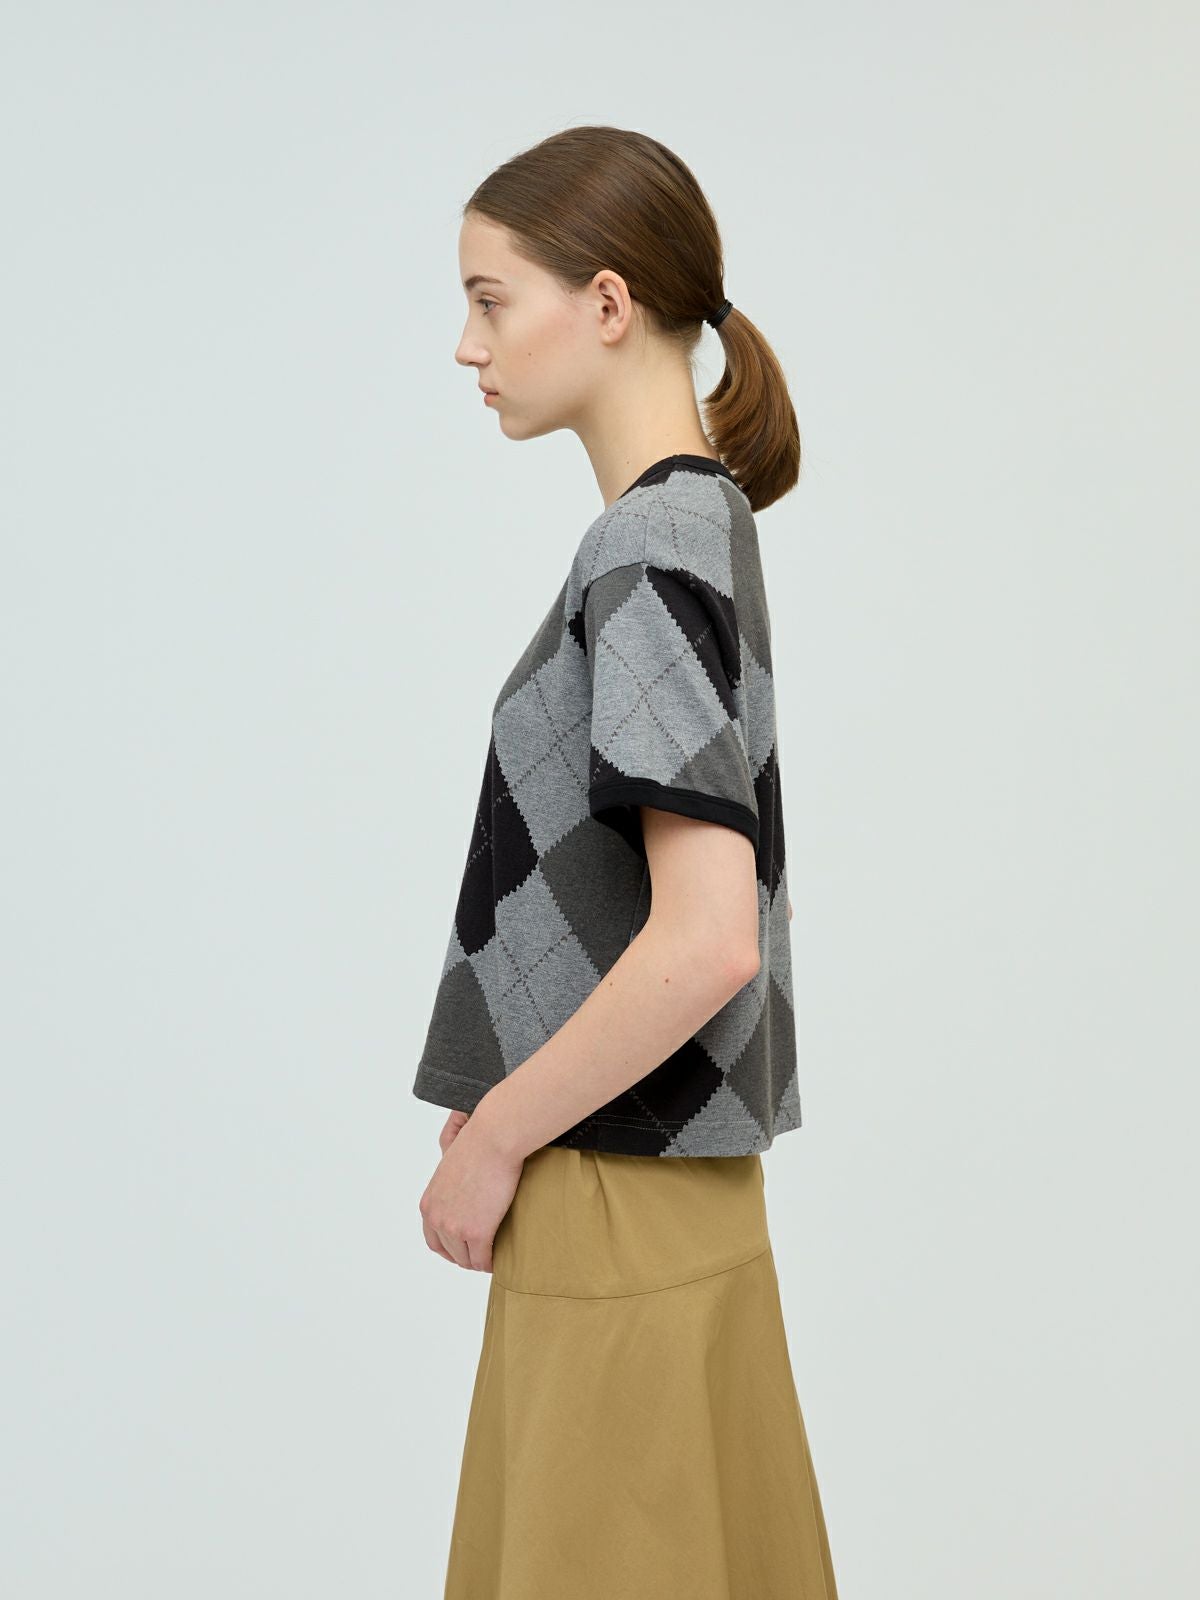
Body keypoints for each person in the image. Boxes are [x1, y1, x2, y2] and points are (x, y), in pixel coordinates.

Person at [412, 124, 839, 1599]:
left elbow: (705, 937)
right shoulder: (693, 526)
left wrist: (497, 1134)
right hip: (659, 1184)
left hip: (617, 1185)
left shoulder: (652, 544)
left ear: (606, 303)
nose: (467, 346)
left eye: (490, 300)